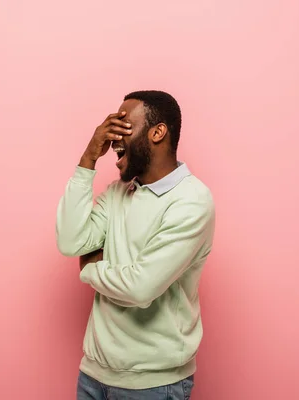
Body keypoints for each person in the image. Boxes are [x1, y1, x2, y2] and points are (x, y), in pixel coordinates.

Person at [56, 90, 215, 400]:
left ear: (157, 132)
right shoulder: (119, 193)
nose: (113, 135)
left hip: (153, 386)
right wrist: (88, 158)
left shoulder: (192, 201)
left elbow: (140, 287)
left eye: (124, 124)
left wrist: (90, 269)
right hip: (92, 375)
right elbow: (70, 241)